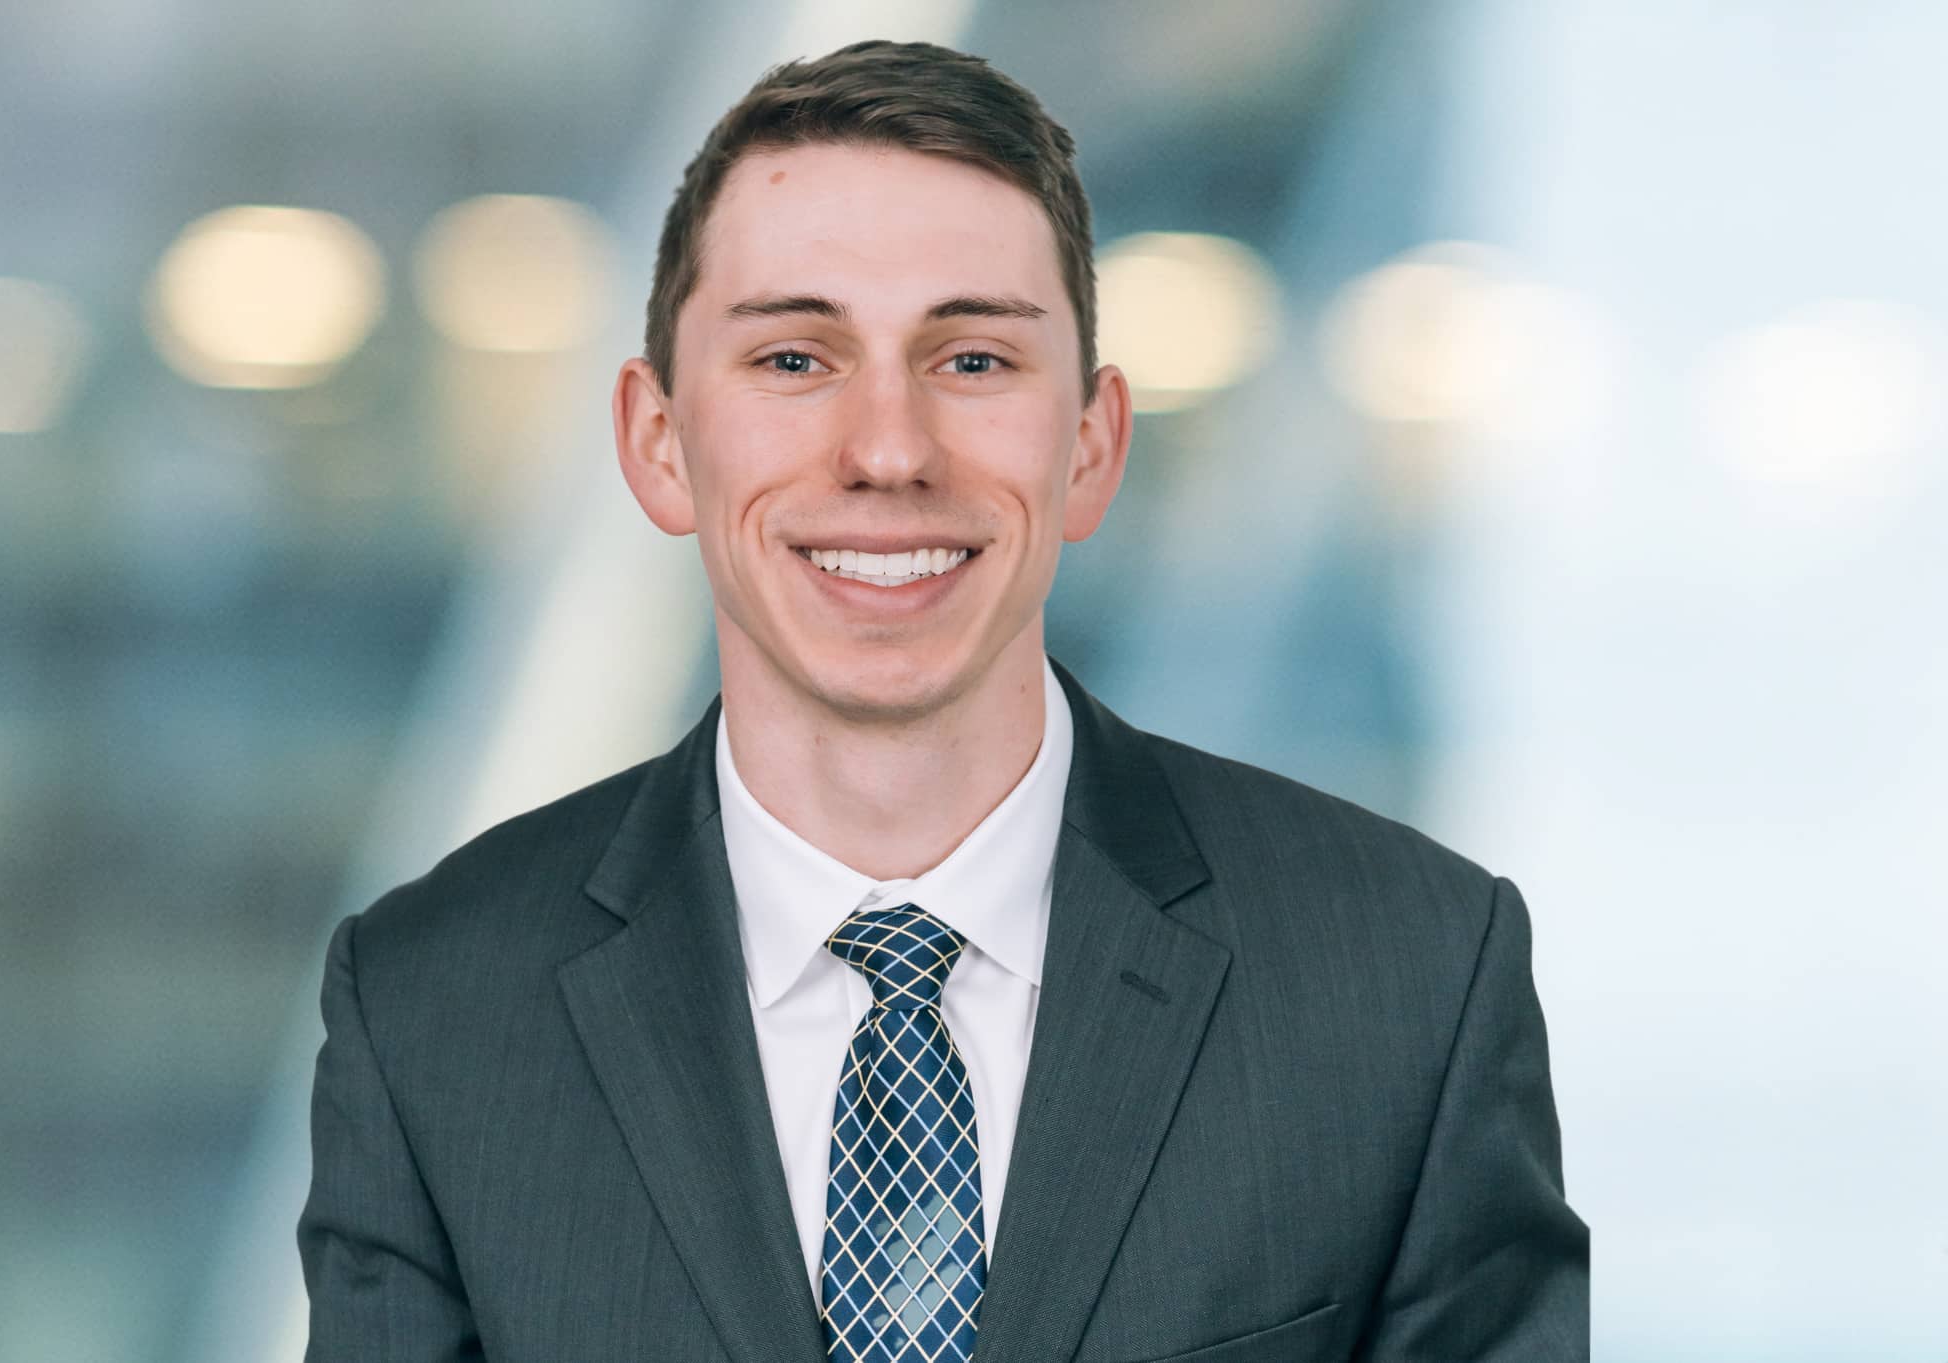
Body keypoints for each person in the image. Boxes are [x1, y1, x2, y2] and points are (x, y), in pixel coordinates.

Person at [297, 39, 1588, 1363]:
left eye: (972, 360)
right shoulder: (435, 1013)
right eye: (795, 360)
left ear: (1091, 445)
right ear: (658, 444)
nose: (890, 450)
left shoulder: (1406, 978)